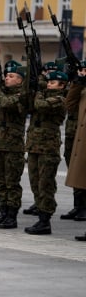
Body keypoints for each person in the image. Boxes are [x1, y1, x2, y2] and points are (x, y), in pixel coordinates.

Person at [0, 60, 29, 229]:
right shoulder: (1, 92)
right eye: (6, 76)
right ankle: (3, 212)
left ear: (21, 80)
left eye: (11, 76)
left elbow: (4, 102)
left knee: (12, 183)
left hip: (12, 146)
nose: (7, 79)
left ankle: (12, 215)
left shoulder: (22, 95)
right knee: (1, 182)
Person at [24, 71, 67, 235]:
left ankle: (45, 220)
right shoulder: (41, 95)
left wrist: (39, 90)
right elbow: (29, 104)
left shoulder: (59, 99)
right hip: (35, 146)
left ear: (62, 86)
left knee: (45, 185)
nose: (49, 84)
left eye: (53, 83)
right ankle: (40, 214)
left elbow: (40, 105)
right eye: (48, 82)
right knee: (35, 183)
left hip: (48, 149)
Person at [60, 61, 86, 221]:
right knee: (77, 174)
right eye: (81, 70)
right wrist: (77, 83)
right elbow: (69, 104)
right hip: (77, 139)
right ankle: (79, 206)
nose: (83, 72)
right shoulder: (81, 90)